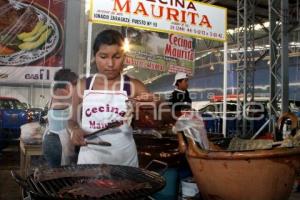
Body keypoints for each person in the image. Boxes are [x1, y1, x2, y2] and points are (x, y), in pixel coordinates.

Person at [68, 29, 153, 166]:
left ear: (124, 57)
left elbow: (158, 116)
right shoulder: (83, 86)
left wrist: (152, 107)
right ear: (95, 57)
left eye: (117, 57)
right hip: (90, 162)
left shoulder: (134, 86)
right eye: (103, 57)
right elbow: (72, 119)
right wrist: (73, 130)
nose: (110, 64)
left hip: (125, 162)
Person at [43, 68, 78, 167]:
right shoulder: (63, 94)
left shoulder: (56, 93)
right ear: (68, 85)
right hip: (57, 142)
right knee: (59, 176)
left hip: (52, 139)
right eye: (75, 85)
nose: (77, 88)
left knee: (55, 173)